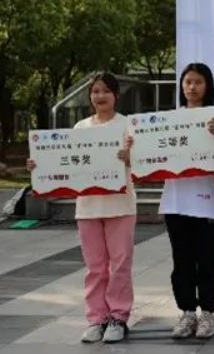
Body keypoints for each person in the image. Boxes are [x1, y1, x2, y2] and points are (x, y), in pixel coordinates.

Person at [27, 72, 135, 344]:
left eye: (106, 91)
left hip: (121, 205)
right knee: (95, 267)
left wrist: (130, 157)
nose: (100, 96)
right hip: (87, 207)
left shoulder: (128, 125)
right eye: (95, 91)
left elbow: (146, 162)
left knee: (120, 265)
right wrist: (39, 164)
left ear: (116, 95)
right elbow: (65, 160)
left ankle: (118, 318)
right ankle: (97, 319)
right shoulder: (80, 127)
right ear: (90, 96)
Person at [163, 63, 214, 340]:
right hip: (176, 202)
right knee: (182, 261)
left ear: (207, 86)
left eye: (198, 82)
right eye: (187, 82)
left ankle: (208, 313)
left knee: (207, 260)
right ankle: (187, 312)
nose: (192, 87)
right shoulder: (168, 120)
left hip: (206, 201)